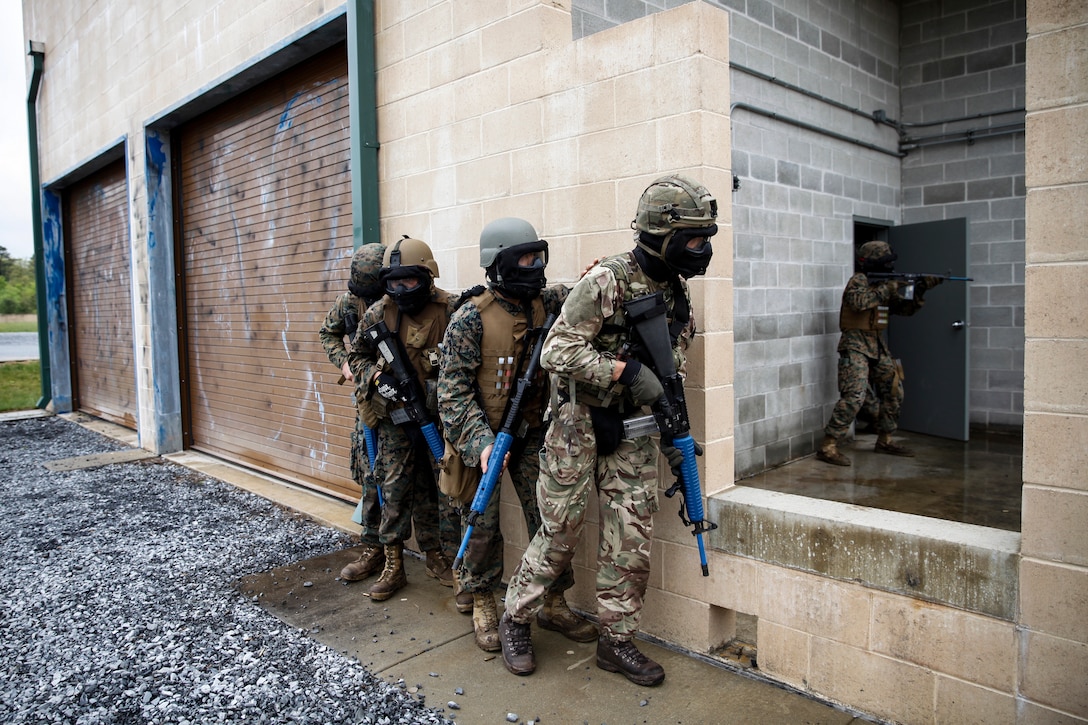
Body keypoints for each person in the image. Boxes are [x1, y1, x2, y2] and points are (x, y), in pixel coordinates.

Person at [497, 174, 717, 687]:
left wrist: (674, 431)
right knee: (558, 534)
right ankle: (517, 618)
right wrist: (621, 372)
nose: (700, 248)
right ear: (661, 234)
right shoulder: (607, 280)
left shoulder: (677, 294)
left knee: (630, 539)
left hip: (636, 431)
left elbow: (670, 372)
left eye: (705, 238)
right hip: (577, 425)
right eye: (691, 238)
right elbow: (558, 352)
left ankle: (616, 641)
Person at [438, 218, 597, 653]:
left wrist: (599, 276)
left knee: (549, 520)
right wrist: (481, 444)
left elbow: (586, 294)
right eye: (524, 258)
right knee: (482, 525)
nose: (535, 265)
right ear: (499, 263)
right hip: (481, 439)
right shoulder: (470, 318)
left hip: (532, 433)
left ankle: (553, 599)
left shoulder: (547, 302)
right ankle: (484, 600)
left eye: (537, 256)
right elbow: (451, 394)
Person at [347, 236, 460, 600]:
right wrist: (379, 379)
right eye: (393, 282)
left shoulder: (452, 308)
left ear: (427, 276)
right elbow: (358, 357)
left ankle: (441, 557)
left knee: (445, 494)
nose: (399, 289)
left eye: (408, 281)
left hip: (441, 423)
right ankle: (393, 563)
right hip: (396, 418)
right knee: (392, 489)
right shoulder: (379, 313)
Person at [816, 240, 942, 466]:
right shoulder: (859, 281)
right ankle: (828, 445)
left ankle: (885, 440)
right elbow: (858, 302)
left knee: (895, 390)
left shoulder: (885, 284)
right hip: (854, 345)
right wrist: (888, 288)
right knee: (854, 396)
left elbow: (904, 310)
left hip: (876, 345)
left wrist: (921, 290)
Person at [319, 243, 389, 583]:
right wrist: (345, 363)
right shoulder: (348, 303)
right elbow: (327, 332)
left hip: (402, 399)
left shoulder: (399, 295)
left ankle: (434, 552)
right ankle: (375, 547)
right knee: (370, 473)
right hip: (366, 400)